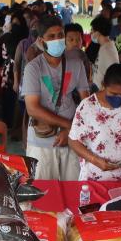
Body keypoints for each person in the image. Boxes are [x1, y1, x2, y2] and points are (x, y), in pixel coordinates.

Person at [23, 15, 89, 181]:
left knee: (73, 187)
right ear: (41, 41)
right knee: (43, 190)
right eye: (51, 36)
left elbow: (86, 102)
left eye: (60, 35)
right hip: (41, 141)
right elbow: (32, 108)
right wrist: (69, 126)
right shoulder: (33, 68)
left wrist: (71, 131)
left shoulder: (76, 63)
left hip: (72, 140)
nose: (57, 39)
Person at [68, 63, 121, 181]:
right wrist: (95, 160)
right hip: (96, 175)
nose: (119, 98)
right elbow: (73, 141)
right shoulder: (88, 106)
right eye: (113, 94)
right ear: (103, 85)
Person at [86, 16, 120, 93]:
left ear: (97, 32)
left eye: (92, 30)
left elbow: (114, 74)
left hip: (103, 92)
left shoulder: (109, 50)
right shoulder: (102, 46)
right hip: (97, 89)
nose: (91, 33)